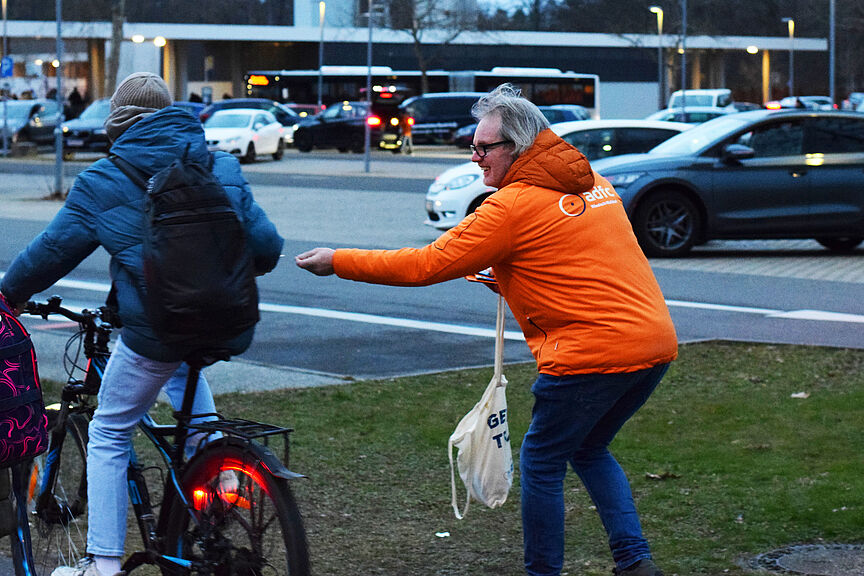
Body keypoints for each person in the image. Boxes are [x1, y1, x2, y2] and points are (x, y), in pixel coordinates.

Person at [295, 83, 677, 576]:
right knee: (588, 448)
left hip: (589, 355)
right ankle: (634, 561)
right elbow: (582, 262)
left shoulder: (511, 205)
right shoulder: (592, 184)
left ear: (517, 148)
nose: (474, 157)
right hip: (653, 344)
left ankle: (546, 571)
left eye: (483, 148)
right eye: (472, 147)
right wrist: (517, 278)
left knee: (541, 463)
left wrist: (338, 260)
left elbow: (427, 264)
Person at [0, 72, 284, 576]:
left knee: (110, 429)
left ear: (119, 122)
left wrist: (9, 295)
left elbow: (49, 254)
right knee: (182, 372)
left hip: (157, 329)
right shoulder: (218, 162)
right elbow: (267, 247)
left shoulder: (103, 179)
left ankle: (102, 562)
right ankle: (219, 480)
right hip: (230, 321)